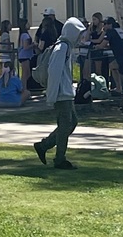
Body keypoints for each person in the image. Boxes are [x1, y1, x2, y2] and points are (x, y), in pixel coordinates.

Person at [33, 16, 85, 169]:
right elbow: (54, 72)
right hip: (62, 94)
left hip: (66, 93)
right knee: (65, 125)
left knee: (71, 123)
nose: (80, 38)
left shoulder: (66, 47)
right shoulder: (61, 48)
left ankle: (43, 146)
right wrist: (52, 95)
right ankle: (60, 159)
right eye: (79, 34)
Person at [17, 22, 35, 88]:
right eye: (27, 23)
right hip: (25, 56)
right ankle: (23, 87)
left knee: (27, 73)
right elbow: (26, 47)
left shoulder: (22, 35)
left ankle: (24, 87)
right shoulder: (25, 35)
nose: (29, 24)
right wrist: (33, 45)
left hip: (24, 56)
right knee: (25, 73)